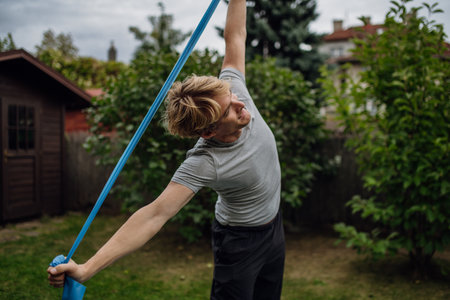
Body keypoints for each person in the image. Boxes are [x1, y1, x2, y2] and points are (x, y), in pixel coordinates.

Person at [47, 0, 285, 299]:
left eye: (233, 97)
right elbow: (153, 216)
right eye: (230, 110)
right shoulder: (205, 162)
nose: (241, 104)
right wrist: (86, 269)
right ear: (209, 131)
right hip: (239, 244)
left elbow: (235, 36)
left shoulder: (232, 89)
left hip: (274, 228)